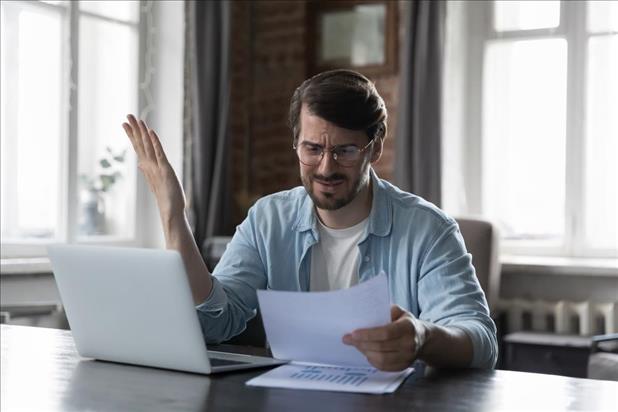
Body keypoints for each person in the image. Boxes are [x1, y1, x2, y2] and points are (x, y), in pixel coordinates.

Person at [122, 69, 497, 372]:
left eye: (345, 151)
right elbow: (216, 321)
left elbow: (480, 340)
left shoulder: (429, 229)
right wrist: (174, 215)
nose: (326, 167)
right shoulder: (268, 219)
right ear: (296, 143)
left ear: (376, 147)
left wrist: (421, 337)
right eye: (312, 149)